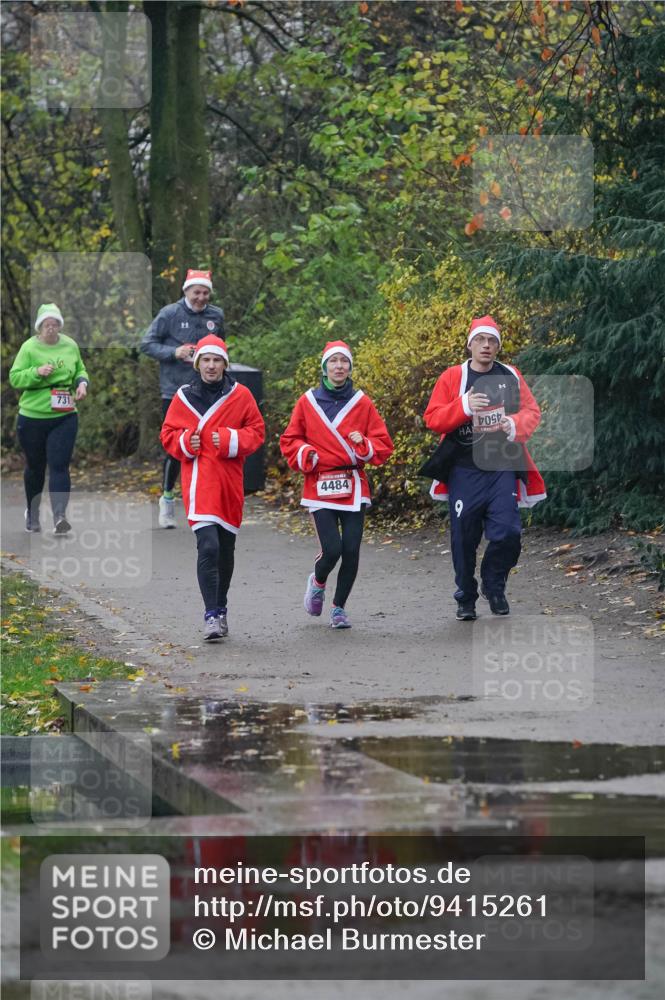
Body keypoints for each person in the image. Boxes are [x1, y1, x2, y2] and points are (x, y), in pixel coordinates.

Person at [424, 315, 546, 620]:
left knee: (508, 533)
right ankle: (465, 596)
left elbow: (532, 411)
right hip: (464, 470)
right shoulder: (453, 377)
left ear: (498, 346)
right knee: (463, 538)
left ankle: (494, 583)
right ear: (470, 345)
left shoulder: (511, 375)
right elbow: (433, 418)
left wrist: (513, 423)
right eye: (481, 340)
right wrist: (464, 405)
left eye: (492, 341)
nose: (487, 346)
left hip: (501, 465)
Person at [280, 340, 394, 629]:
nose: (339, 366)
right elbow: (290, 440)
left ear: (350, 367)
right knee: (332, 549)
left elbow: (383, 445)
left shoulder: (362, 402)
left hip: (353, 483)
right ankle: (317, 581)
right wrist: (306, 453)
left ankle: (339, 608)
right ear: (324, 367)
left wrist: (364, 445)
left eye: (344, 361)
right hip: (320, 484)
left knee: (352, 549)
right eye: (334, 361)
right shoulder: (307, 402)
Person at [160, 335, 264, 640]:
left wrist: (231, 439)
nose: (211, 365)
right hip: (199, 482)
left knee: (225, 550)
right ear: (197, 364)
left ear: (224, 364)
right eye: (205, 360)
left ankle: (222, 606)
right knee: (208, 545)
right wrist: (184, 442)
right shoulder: (183, 397)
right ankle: (211, 615)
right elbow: (167, 433)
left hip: (230, 483)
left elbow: (257, 432)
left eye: (217, 360)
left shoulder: (241, 395)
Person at [141, 269, 225, 528]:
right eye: (196, 292)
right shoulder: (170, 314)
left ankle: (209, 504)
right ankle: (167, 499)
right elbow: (146, 344)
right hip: (176, 390)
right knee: (177, 446)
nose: (201, 298)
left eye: (205, 293)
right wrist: (174, 351)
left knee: (211, 443)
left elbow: (222, 346)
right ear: (186, 291)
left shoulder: (216, 315)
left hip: (210, 389)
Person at [9, 303, 89, 534]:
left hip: (64, 415)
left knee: (59, 465)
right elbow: (15, 378)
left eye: (55, 325)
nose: (52, 329)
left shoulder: (70, 345)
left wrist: (82, 383)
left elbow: (80, 370)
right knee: (35, 467)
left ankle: (59, 517)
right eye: (47, 325)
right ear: (39, 328)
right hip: (32, 415)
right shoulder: (29, 348)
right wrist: (36, 372)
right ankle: (32, 513)